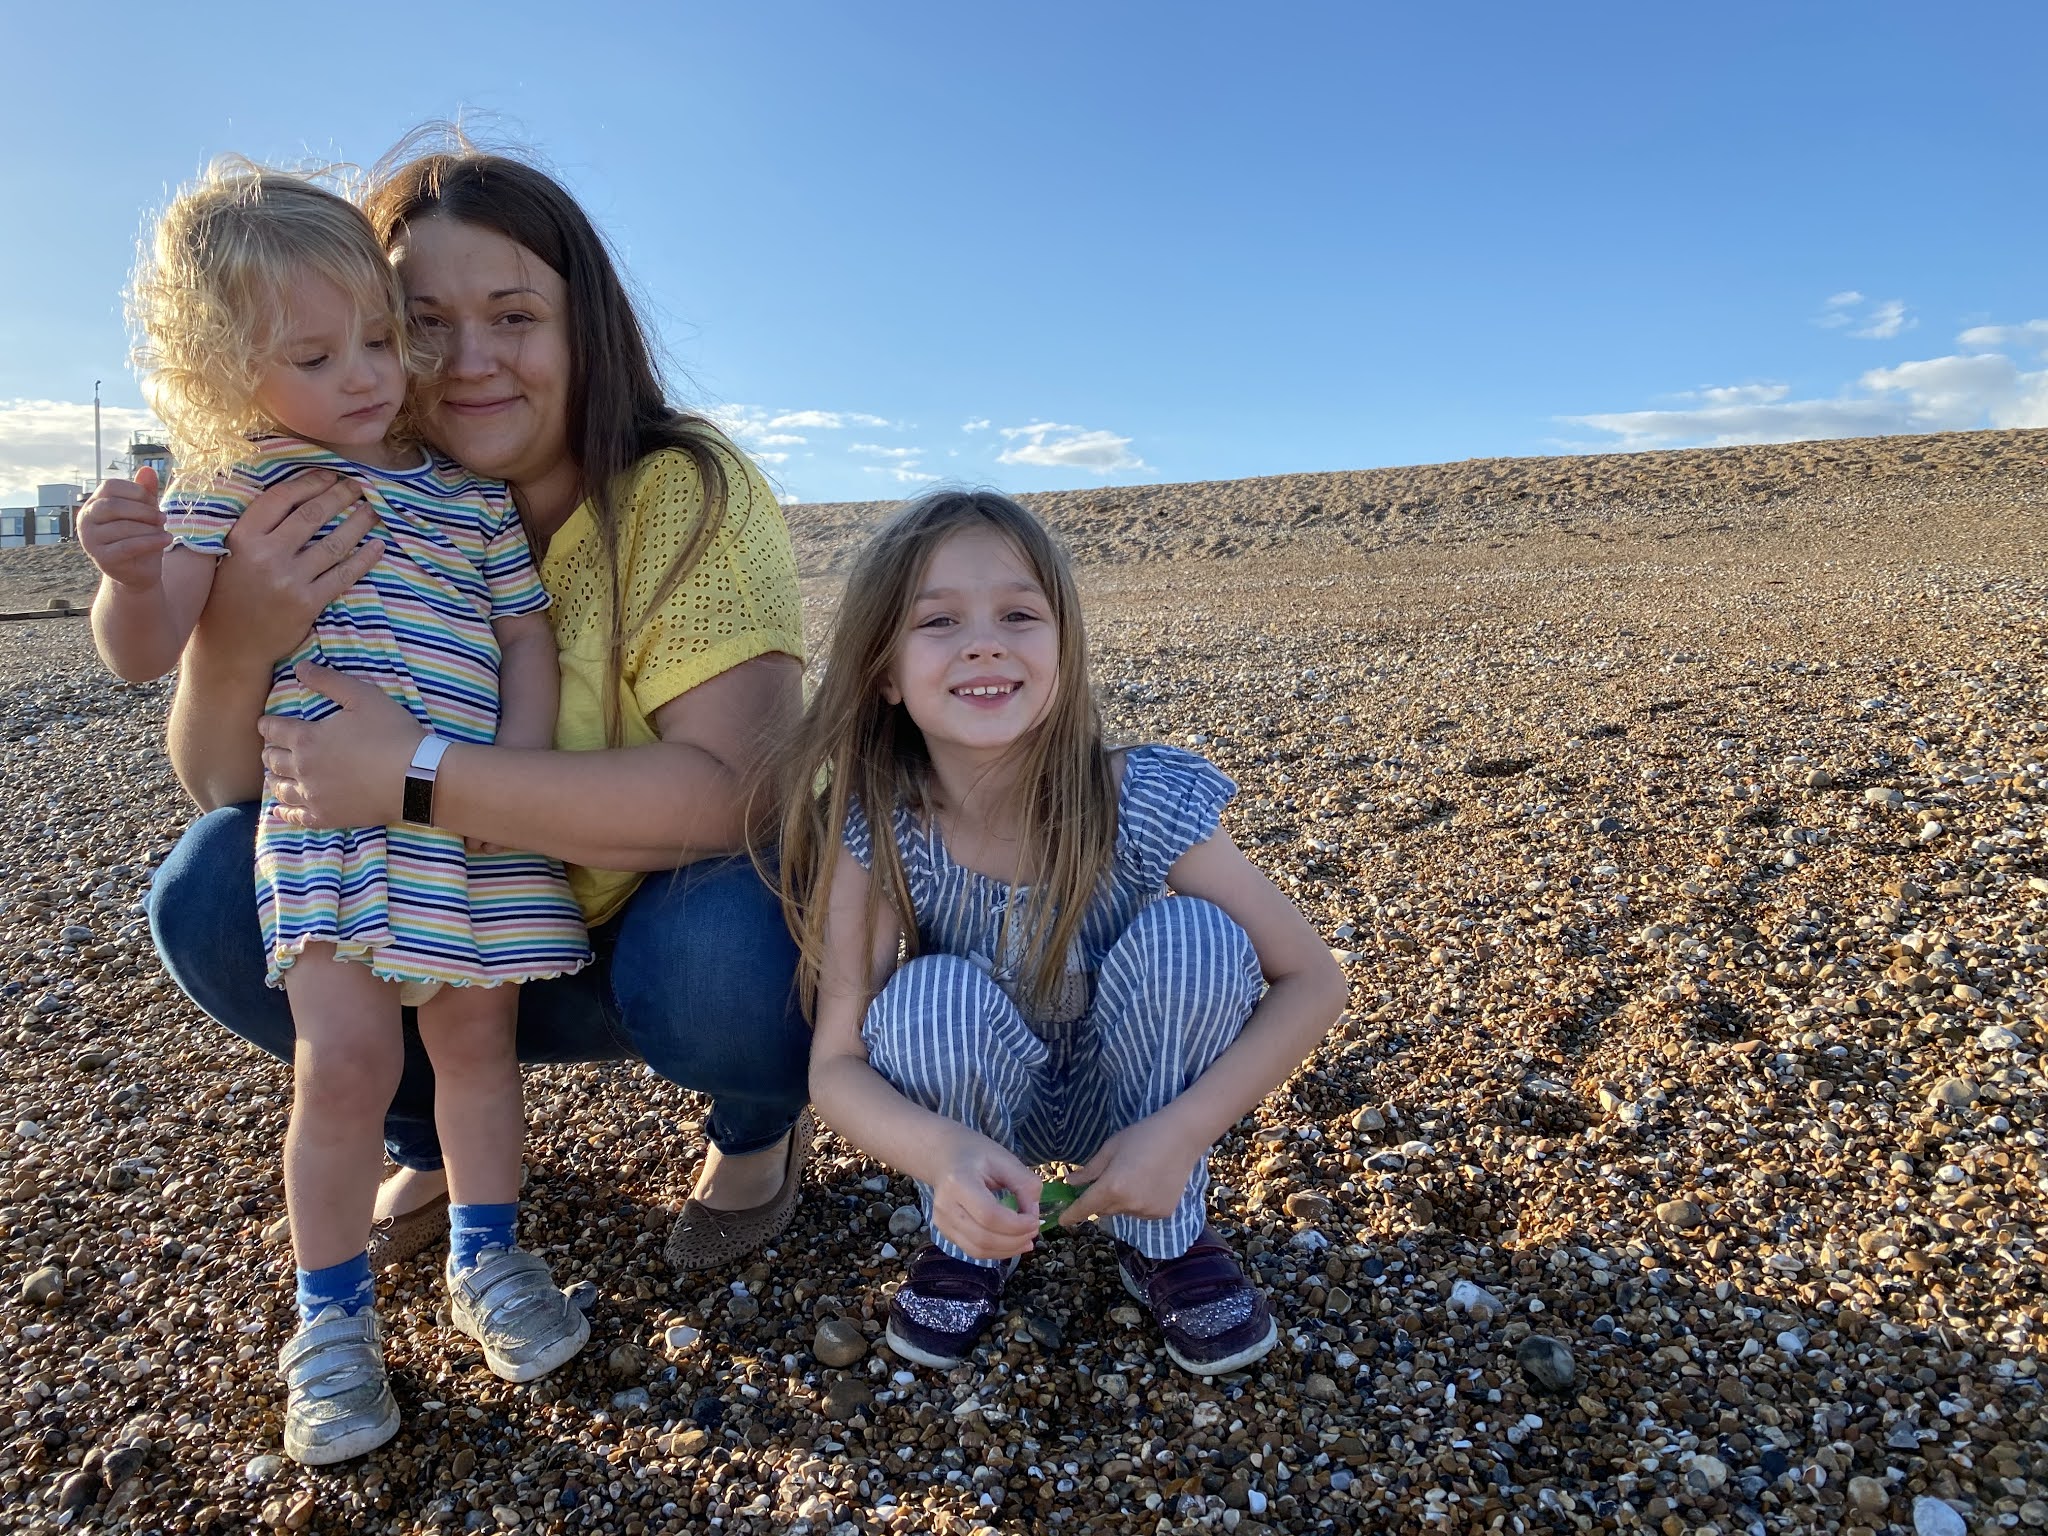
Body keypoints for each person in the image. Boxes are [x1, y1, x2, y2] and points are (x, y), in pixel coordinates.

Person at [96, 139, 812, 1327]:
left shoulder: (675, 488)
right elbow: (223, 782)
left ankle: (754, 1120)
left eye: (515, 317)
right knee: (213, 888)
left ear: (586, 327)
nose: (464, 363)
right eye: (422, 323)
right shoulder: (310, 496)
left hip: (643, 918)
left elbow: (734, 791)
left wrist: (420, 776)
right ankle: (425, 1129)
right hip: (427, 896)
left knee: (726, 961)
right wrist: (239, 632)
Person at [83, 162, 594, 1463]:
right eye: (315, 356)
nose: (366, 375)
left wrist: (519, 780)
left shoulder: (469, 497)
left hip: (467, 823)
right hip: (331, 830)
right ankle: (331, 1317)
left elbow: (524, 637)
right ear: (225, 374)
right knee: (348, 1065)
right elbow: (148, 652)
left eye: (379, 336)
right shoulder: (233, 485)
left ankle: (490, 1258)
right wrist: (133, 578)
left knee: (478, 1053)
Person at [777, 489, 1349, 1375]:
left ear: (1063, 647)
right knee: (928, 997)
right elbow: (837, 1063)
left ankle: (1159, 1228)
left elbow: (1315, 979)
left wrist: (1185, 1131)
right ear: (884, 672)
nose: (984, 642)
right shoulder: (883, 828)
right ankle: (970, 1240)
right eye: (938, 621)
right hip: (983, 1100)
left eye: (1018, 613)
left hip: (1133, 1092)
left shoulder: (1141, 797)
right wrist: (945, 1154)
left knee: (1194, 941)